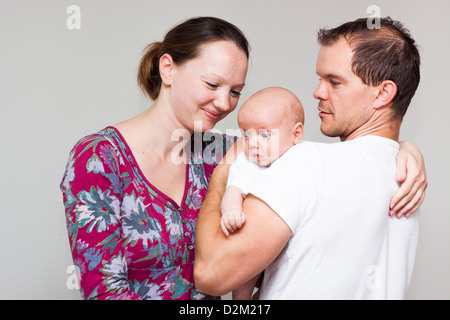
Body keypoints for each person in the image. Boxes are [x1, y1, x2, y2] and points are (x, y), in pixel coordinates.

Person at [194, 17, 426, 299]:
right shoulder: (407, 181)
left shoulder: (305, 163)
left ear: (383, 93)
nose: (317, 92)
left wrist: (225, 172)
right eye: (320, 79)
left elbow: (211, 275)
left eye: (335, 82)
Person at [59, 16, 249, 300]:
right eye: (212, 84)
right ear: (168, 69)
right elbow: (105, 292)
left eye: (235, 92)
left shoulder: (221, 153)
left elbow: (298, 157)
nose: (225, 104)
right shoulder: (98, 158)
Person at [220, 87, 304, 237]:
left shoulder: (301, 157)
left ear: (296, 134)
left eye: (264, 135)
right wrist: (231, 210)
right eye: (246, 135)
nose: (252, 143)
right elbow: (233, 191)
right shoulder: (246, 163)